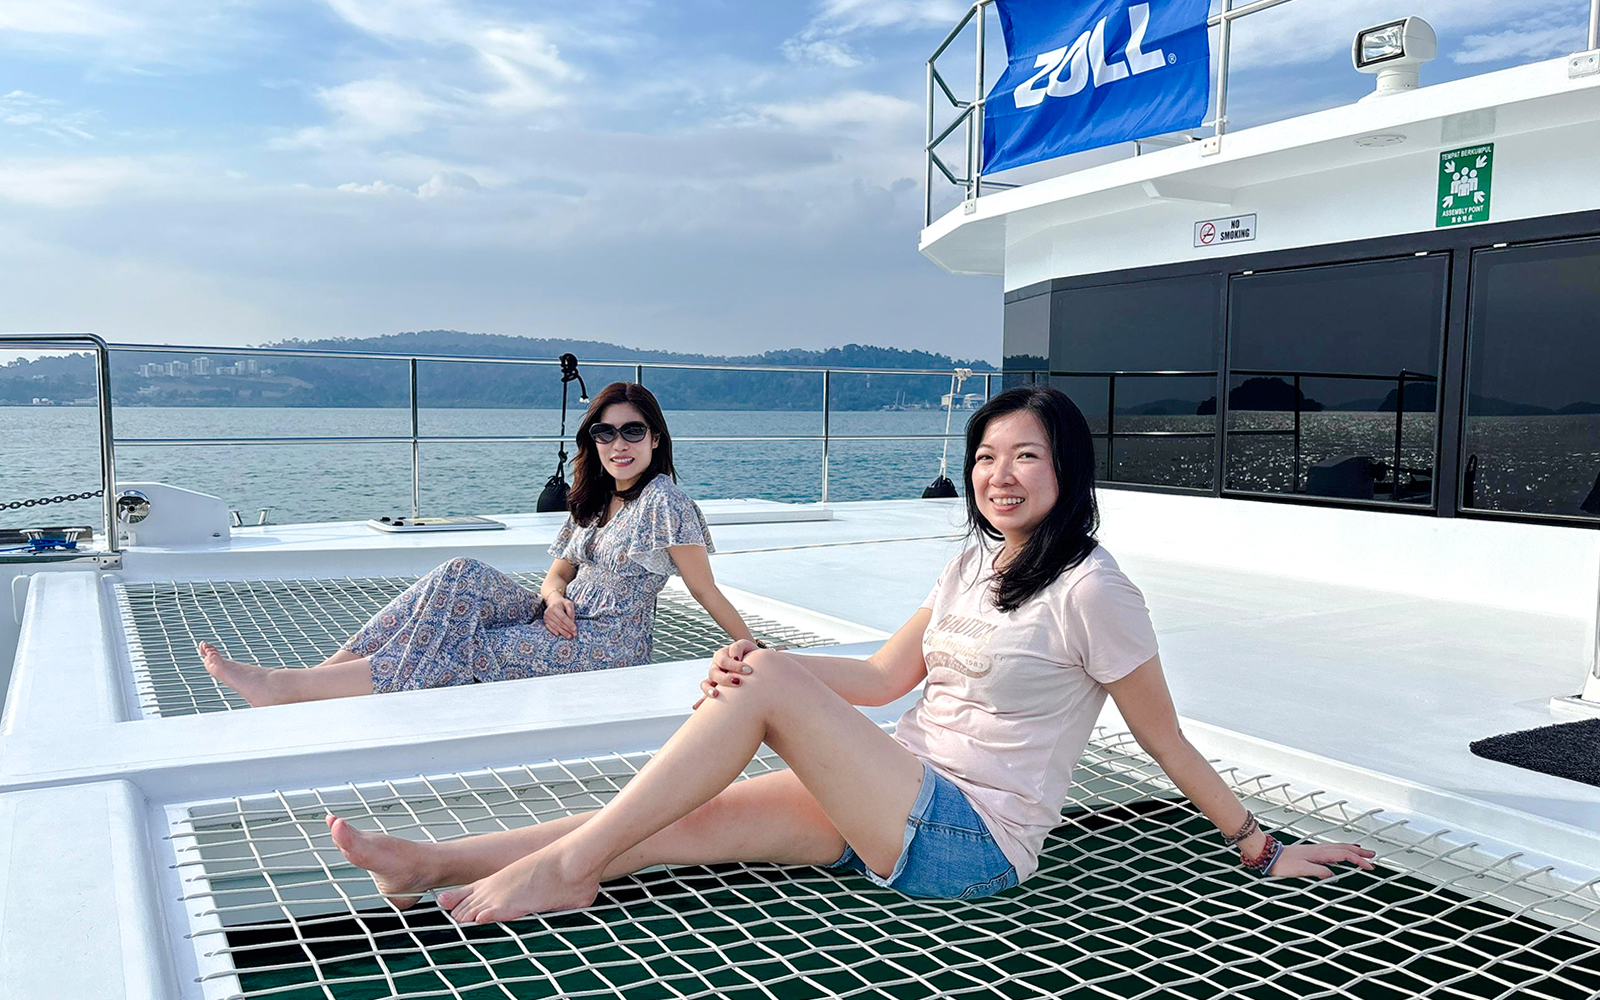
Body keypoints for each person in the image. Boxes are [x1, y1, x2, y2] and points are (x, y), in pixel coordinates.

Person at [326, 385, 1375, 923]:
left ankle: (562, 871)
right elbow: (882, 677)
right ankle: (437, 863)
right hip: (897, 787)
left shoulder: (1095, 591)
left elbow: (1163, 738)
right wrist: (767, 671)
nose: (998, 475)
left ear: (1068, 469)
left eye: (1024, 458)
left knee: (760, 680)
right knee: (681, 815)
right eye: (985, 457)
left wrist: (1261, 845)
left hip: (969, 844)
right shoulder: (974, 561)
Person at [199, 382, 757, 706]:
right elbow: (557, 573)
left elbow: (704, 590)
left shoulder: (666, 502)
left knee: (463, 649)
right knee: (459, 572)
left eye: (632, 431)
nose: (618, 444)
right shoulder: (598, 498)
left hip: (606, 642)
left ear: (655, 439)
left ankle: (294, 689)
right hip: (561, 616)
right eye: (604, 433)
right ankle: (320, 676)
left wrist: (753, 647)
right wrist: (555, 595)